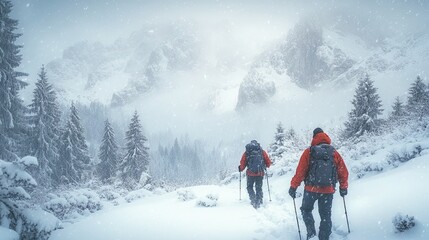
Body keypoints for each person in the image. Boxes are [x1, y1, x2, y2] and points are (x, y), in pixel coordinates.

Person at [288, 128, 349, 240]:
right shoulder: (334, 153)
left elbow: (300, 172)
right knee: (325, 215)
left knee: (306, 210)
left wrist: (293, 186)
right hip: (328, 190)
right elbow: (343, 172)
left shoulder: (309, 152)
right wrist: (343, 187)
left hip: (311, 189)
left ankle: (311, 234)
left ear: (314, 137)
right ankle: (324, 238)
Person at [238, 140, 272, 209]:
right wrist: (266, 166)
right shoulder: (261, 151)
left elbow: (243, 162)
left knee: (249, 187)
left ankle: (253, 200)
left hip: (250, 173)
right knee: (258, 187)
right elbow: (268, 162)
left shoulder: (247, 152)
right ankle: (259, 200)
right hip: (260, 173)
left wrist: (240, 168)